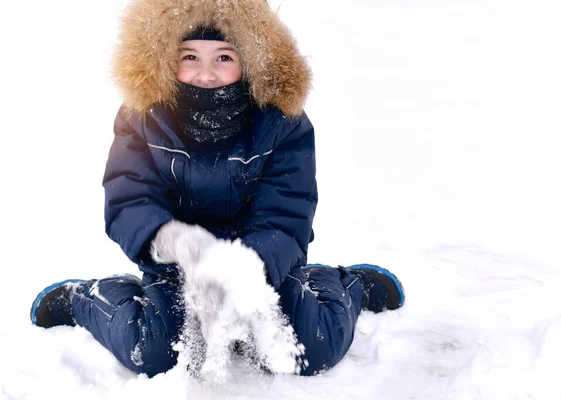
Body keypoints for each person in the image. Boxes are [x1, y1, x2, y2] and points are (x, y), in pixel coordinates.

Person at [30, 0, 405, 378]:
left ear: (251, 58)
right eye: (189, 56)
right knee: (156, 353)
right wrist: (170, 239)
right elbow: (129, 194)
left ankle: (346, 283)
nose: (205, 74)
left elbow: (287, 208)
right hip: (179, 263)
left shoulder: (280, 120)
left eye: (224, 57)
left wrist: (248, 268)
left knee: (311, 346)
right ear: (162, 57)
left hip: (260, 263)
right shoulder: (143, 116)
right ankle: (86, 299)